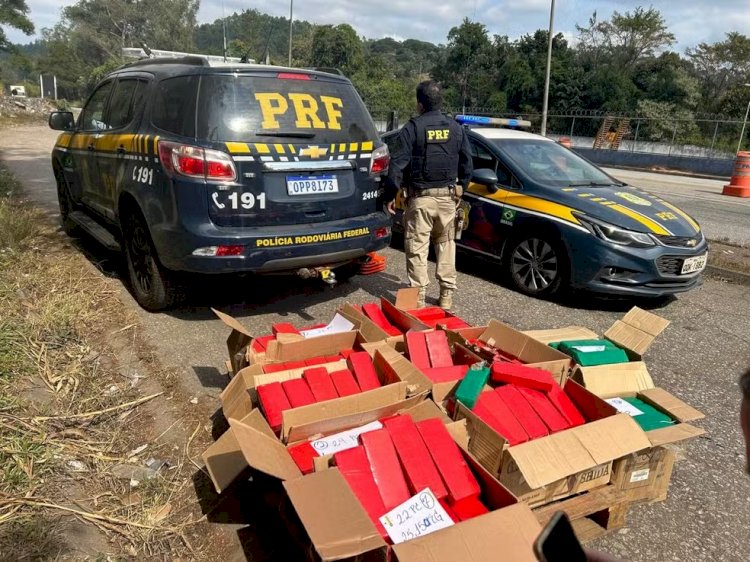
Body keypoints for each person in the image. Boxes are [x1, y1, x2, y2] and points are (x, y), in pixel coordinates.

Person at [385, 80, 473, 310]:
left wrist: (390, 195)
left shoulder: (413, 128)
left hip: (421, 200)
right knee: (446, 245)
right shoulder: (456, 128)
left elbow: (397, 164)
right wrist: (462, 185)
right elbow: (467, 163)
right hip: (448, 199)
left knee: (417, 248)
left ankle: (419, 298)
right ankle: (446, 297)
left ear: (419, 103)